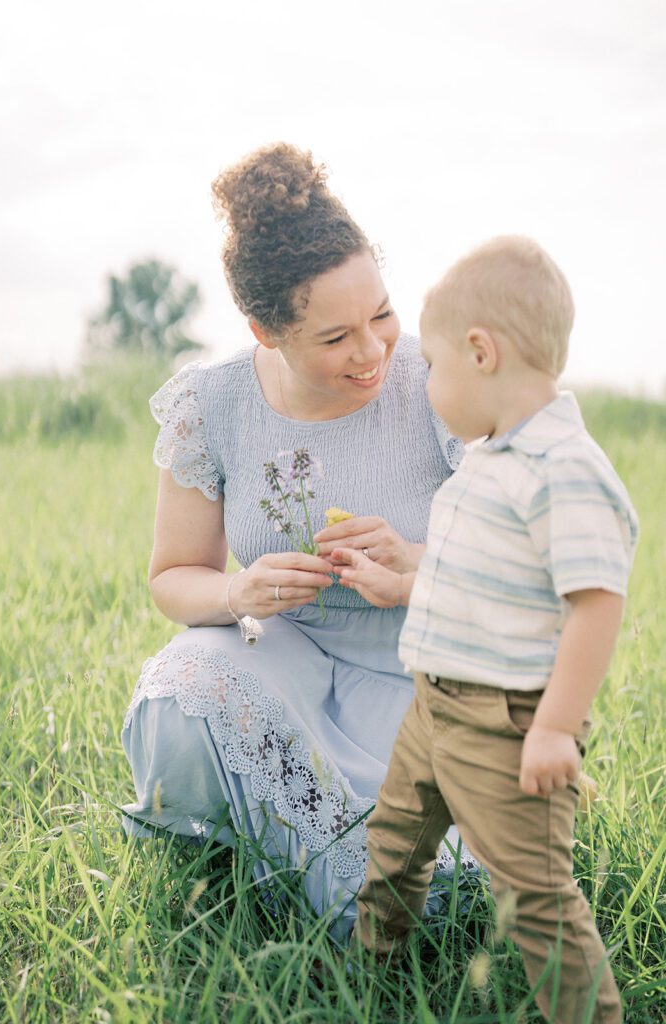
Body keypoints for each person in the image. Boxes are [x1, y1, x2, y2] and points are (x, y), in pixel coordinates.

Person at [120, 142, 475, 942]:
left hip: (422, 676)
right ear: (264, 329)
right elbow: (175, 576)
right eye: (335, 337)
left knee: (440, 887)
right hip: (288, 662)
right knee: (184, 686)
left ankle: (330, 868)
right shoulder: (210, 405)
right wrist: (238, 594)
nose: (373, 351)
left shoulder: (439, 383)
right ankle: (292, 853)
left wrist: (419, 570)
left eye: (382, 314)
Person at [340, 236, 638, 1021]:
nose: (425, 382)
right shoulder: (490, 456)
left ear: (481, 352)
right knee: (395, 845)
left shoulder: (564, 467)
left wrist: (556, 729)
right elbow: (482, 580)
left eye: (431, 366)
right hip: (433, 706)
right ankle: (371, 980)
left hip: (506, 724)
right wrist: (401, 583)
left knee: (535, 894)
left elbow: (596, 602)